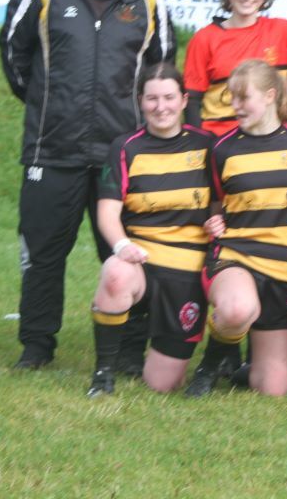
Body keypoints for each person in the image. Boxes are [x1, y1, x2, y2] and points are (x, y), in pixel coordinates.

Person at [0, 0, 175, 370]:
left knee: (127, 252)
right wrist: (48, 103)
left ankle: (130, 353)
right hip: (51, 151)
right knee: (42, 254)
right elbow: (14, 60)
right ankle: (37, 347)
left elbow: (160, 72)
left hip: (121, 157)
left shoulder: (148, 0)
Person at [184, 59, 287, 397]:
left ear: (271, 95)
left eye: (244, 98)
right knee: (237, 309)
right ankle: (208, 368)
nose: (236, 105)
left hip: (285, 265)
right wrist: (213, 222)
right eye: (232, 97)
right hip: (236, 255)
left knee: (274, 389)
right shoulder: (223, 148)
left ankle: (242, 364)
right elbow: (215, 206)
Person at [85, 63, 213, 397]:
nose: (161, 107)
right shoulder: (126, 147)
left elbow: (227, 199)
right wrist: (121, 246)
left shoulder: (207, 146)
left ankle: (216, 360)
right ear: (140, 101)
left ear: (184, 100)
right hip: (143, 259)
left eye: (169, 97)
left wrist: (221, 219)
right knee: (115, 273)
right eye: (152, 98)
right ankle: (103, 374)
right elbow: (107, 213)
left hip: (187, 270)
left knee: (162, 385)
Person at [184, 0, 287, 136]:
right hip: (220, 142)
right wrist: (199, 143)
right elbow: (192, 101)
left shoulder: (286, 31)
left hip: (269, 138)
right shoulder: (204, 39)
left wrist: (283, 90)